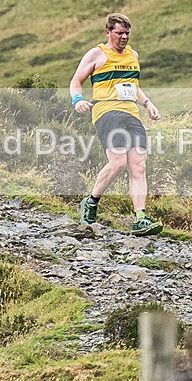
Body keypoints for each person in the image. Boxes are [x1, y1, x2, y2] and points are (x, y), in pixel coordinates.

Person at [69, 13, 163, 235]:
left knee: (139, 166)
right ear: (108, 32)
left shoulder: (133, 55)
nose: (124, 37)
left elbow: (133, 86)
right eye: (120, 33)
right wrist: (78, 100)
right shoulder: (96, 54)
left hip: (131, 114)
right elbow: (76, 81)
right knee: (118, 163)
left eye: (127, 33)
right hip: (107, 112)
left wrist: (148, 104)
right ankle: (91, 202)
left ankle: (140, 217)